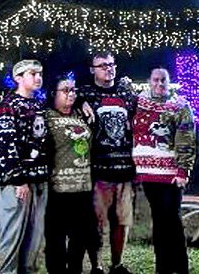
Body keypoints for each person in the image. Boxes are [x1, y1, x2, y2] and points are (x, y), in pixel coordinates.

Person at [77, 52, 139, 274]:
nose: (108, 69)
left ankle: (117, 264)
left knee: (122, 221)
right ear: (92, 69)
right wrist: (79, 100)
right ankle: (96, 266)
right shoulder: (84, 92)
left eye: (111, 64)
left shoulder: (127, 94)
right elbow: (54, 95)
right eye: (102, 65)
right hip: (98, 172)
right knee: (97, 223)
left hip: (125, 170)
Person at [132, 68, 197, 274]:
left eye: (163, 80)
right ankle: (162, 267)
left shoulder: (179, 106)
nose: (159, 84)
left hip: (171, 174)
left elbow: (186, 137)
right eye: (156, 80)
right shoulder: (139, 103)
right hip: (148, 173)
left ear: (169, 82)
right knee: (159, 220)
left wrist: (183, 169)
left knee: (172, 219)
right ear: (149, 81)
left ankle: (180, 266)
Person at [0, 60, 51, 274]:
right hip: (16, 183)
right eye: (32, 73)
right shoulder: (7, 106)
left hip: (39, 180)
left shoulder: (39, 106)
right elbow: (5, 144)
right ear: (18, 77)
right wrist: (18, 179)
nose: (38, 78)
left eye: (40, 74)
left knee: (34, 239)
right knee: (12, 235)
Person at [45, 74, 100, 274]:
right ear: (53, 93)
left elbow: (95, 89)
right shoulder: (46, 116)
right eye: (65, 90)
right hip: (58, 189)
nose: (71, 94)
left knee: (80, 238)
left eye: (73, 90)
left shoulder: (80, 113)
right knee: (56, 239)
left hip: (83, 187)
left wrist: (83, 100)